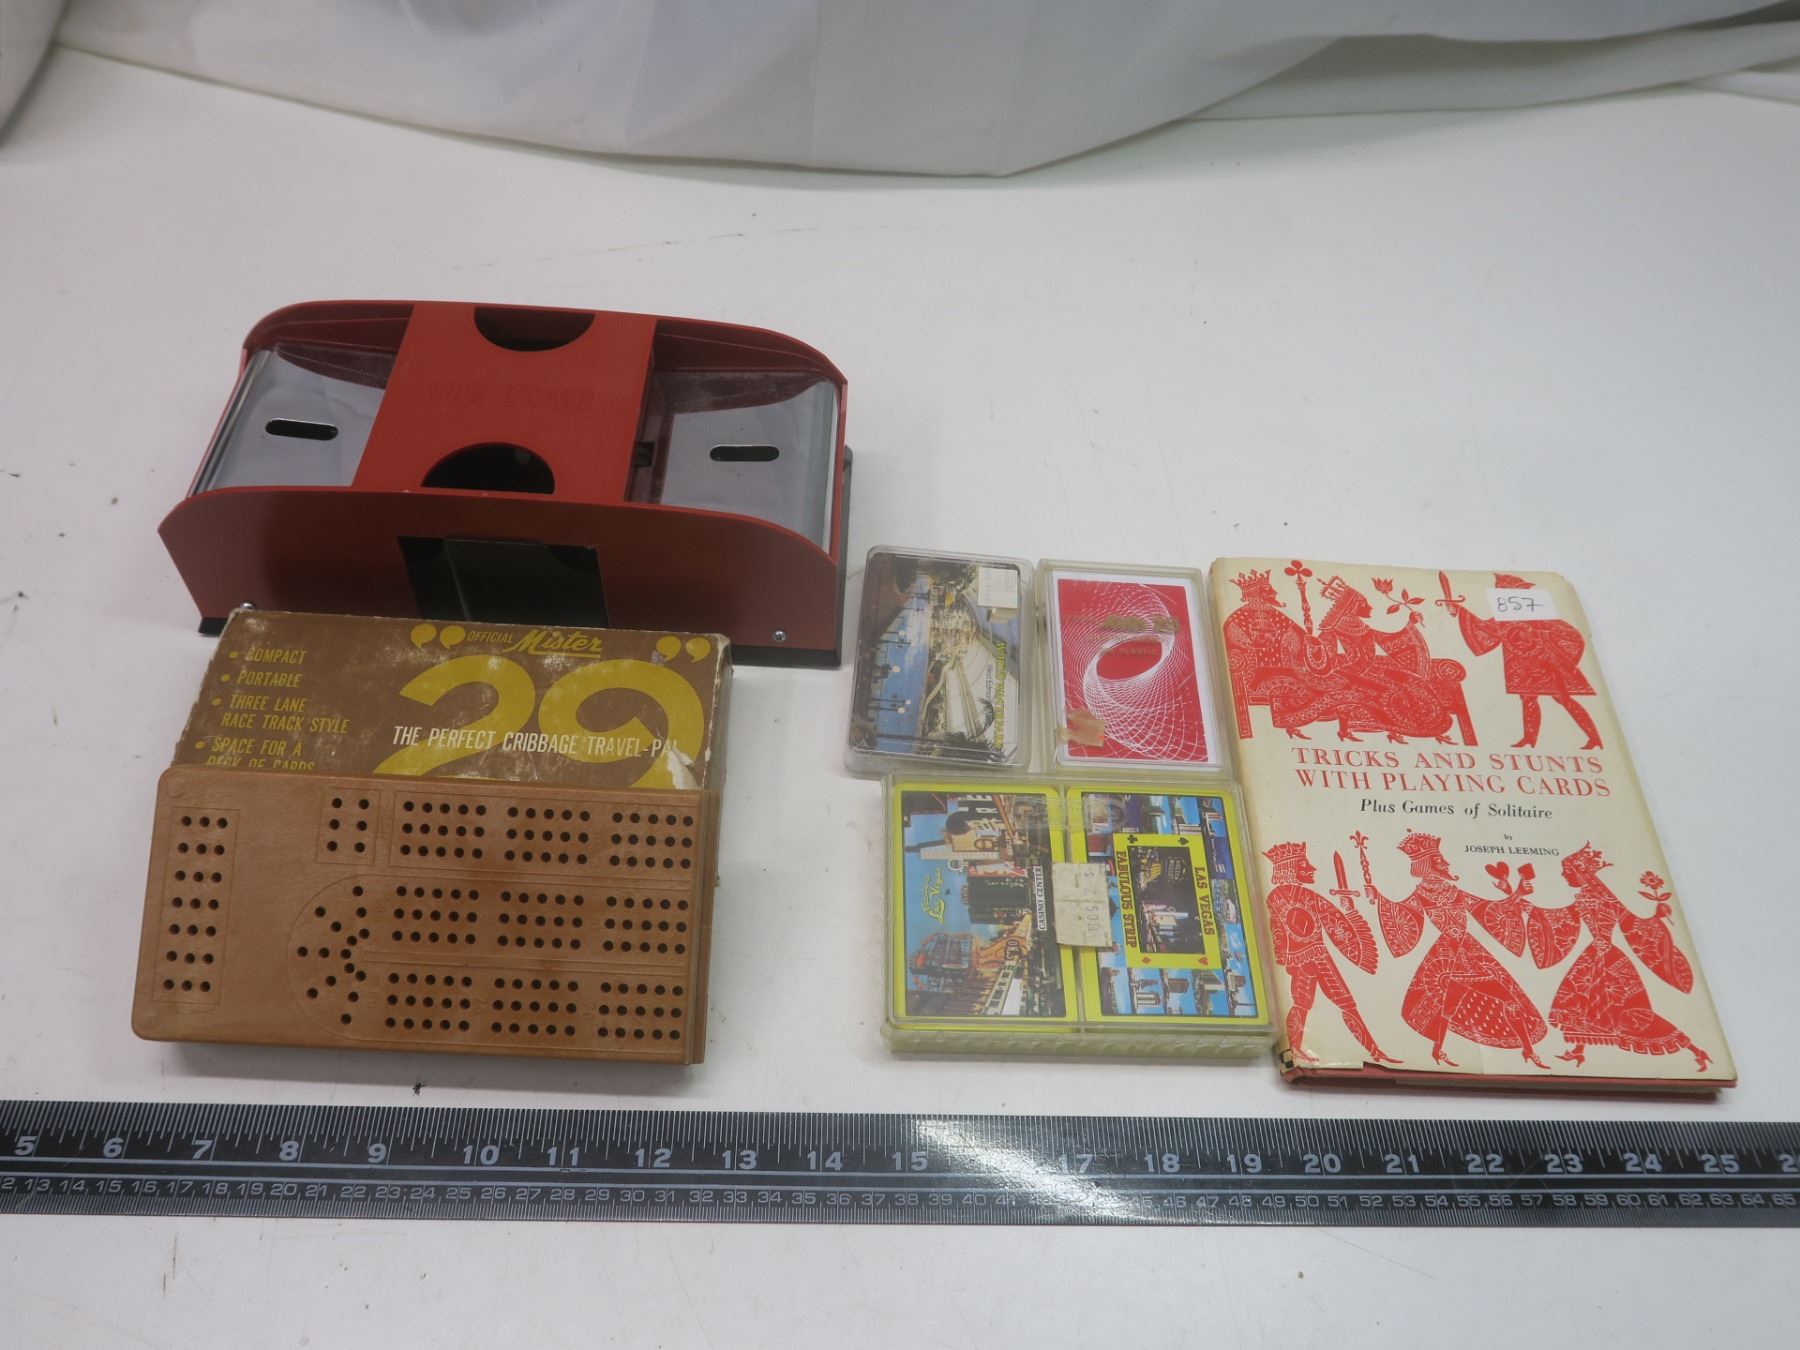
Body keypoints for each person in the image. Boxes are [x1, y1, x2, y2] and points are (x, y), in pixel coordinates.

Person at [1366, 832, 1550, 1068]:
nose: (1446, 863)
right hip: (1447, 958)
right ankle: (1524, 1050)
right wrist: (1378, 898)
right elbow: (1403, 914)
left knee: (1471, 1004)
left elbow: (1490, 909)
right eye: (1440, 860)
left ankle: (1526, 1050)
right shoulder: (1421, 894)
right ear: (1427, 865)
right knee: (1454, 1006)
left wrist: (1519, 894)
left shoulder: (1454, 891)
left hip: (1467, 952)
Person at [1525, 845, 1711, 1071]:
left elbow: (1630, 922)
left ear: (1580, 872)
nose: (1564, 875)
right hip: (1594, 956)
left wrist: (1656, 917)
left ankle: (1695, 1050)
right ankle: (1579, 1051)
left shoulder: (1606, 898)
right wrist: (1531, 909)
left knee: (1627, 1011)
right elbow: (1563, 917)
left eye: (1567, 871)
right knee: (1585, 1005)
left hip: (1608, 959)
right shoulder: (1583, 897)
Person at [1262, 841, 1398, 1065]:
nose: (1312, 868)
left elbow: (1335, 925)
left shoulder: (1301, 896)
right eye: (1305, 865)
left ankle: (1374, 1051)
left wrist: (1350, 912)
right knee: (1305, 1006)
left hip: (1319, 958)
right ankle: (1295, 1049)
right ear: (1290, 868)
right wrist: (1350, 912)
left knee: (1344, 1004)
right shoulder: (1281, 898)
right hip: (1305, 961)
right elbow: (1279, 932)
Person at [1440, 573, 1602, 749]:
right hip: (1522, 666)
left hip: (1546, 664)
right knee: (1528, 700)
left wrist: (1538, 638)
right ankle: (1530, 739)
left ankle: (1594, 738)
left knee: (1564, 699)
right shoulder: (1505, 617)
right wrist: (1459, 611)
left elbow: (1569, 635)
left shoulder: (1537, 614)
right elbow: (1485, 629)